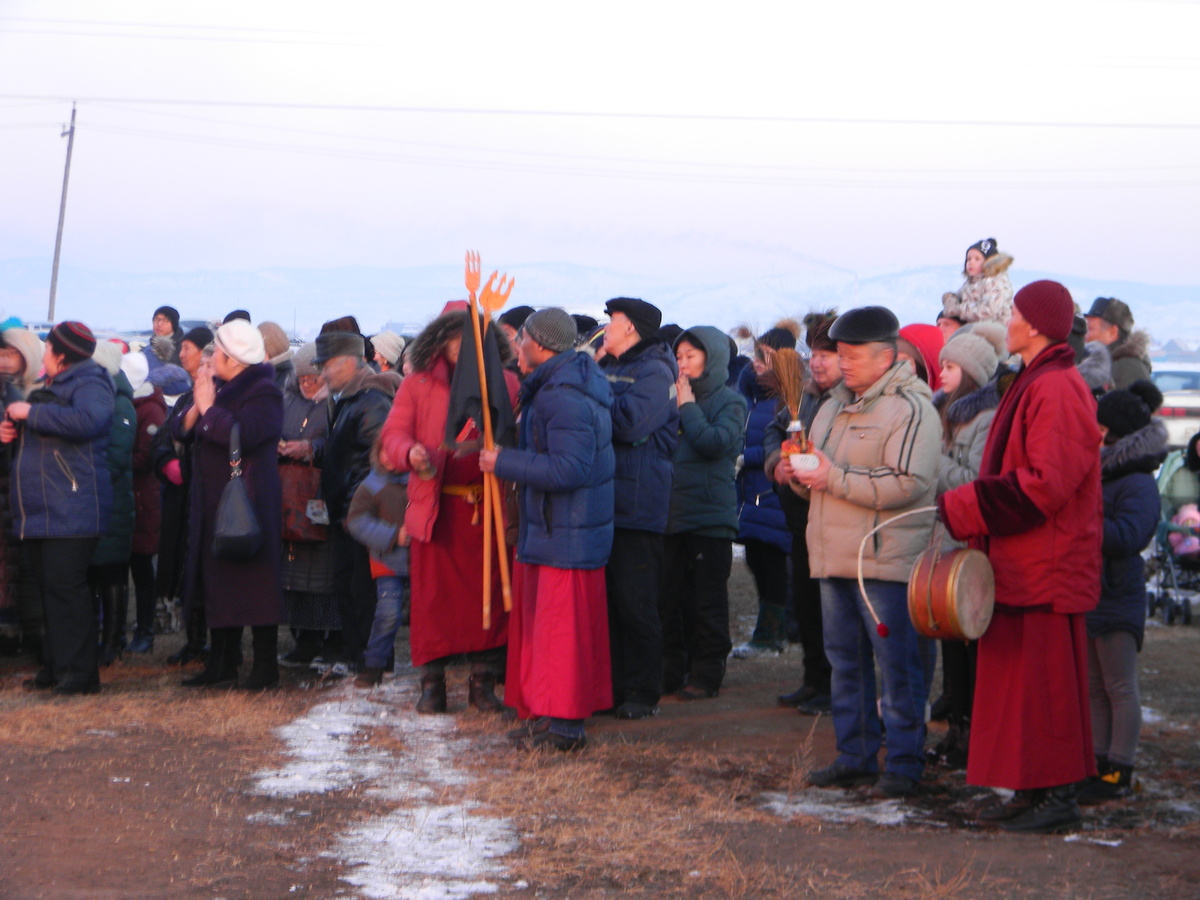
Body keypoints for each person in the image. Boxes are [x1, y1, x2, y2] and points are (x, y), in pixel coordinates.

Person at [939, 280, 1103, 833]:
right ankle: (1031, 790)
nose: (1007, 320)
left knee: (1046, 690)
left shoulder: (1056, 387)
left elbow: (1044, 486)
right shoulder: (1035, 380)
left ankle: (1057, 797)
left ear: (1032, 325)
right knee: (1021, 691)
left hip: (1046, 568)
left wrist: (964, 505)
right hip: (1024, 564)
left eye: (1014, 312)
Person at [791, 306, 941, 798]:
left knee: (896, 665)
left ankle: (903, 761)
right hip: (834, 555)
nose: (844, 363)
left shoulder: (912, 408)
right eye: (841, 353)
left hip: (884, 561)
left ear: (886, 356)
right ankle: (854, 755)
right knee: (845, 662)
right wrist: (798, 474)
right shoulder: (832, 404)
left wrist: (828, 476)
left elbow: (911, 483)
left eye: (853, 355)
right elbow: (822, 474)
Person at [480, 307, 615, 751]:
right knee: (548, 632)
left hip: (567, 535)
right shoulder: (557, 387)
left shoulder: (564, 395)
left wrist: (503, 461)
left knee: (562, 635)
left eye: (521, 340)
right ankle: (549, 714)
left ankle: (565, 726)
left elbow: (570, 468)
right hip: (555, 532)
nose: (516, 347)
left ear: (541, 345)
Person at [379, 304, 517, 713]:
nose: (462, 347)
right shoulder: (417, 385)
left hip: (488, 509)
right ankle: (432, 684)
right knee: (432, 601)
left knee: (487, 598)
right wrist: (412, 454)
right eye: (455, 338)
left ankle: (482, 683)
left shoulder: (506, 383)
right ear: (440, 340)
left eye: (471, 338)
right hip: (438, 508)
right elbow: (393, 437)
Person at [2, 322, 114, 695]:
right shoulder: (50, 386)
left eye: (47, 346)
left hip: (73, 506)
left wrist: (29, 414)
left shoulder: (92, 383)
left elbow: (89, 421)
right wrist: (11, 431)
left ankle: (79, 675)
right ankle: (56, 666)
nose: (43, 352)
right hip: (43, 509)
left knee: (67, 591)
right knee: (53, 591)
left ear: (61, 354)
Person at [175, 319, 285, 690]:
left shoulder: (263, 392)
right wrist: (197, 407)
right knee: (219, 582)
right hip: (216, 501)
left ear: (234, 358)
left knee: (257, 584)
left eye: (218, 352)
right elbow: (181, 430)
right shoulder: (221, 387)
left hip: (248, 502)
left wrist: (208, 410)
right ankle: (222, 662)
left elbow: (246, 434)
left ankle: (265, 666)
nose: (212, 358)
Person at [1080, 380, 1166, 804]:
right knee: (1096, 687)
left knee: (1119, 686)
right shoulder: (1107, 472)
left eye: (1099, 426)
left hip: (1117, 593)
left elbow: (1128, 537)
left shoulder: (1137, 483)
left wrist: (1086, 522)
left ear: (1112, 432)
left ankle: (1120, 770)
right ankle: (1099, 764)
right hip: (1095, 592)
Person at [927, 322, 1006, 768]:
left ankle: (976, 735)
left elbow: (975, 482)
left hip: (969, 546)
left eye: (951, 367)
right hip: (941, 541)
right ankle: (956, 733)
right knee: (948, 644)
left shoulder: (986, 419)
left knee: (972, 646)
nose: (942, 374)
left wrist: (932, 461)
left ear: (973, 372)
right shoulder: (941, 411)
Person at [596, 297, 679, 719]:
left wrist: (589, 400)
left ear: (630, 329)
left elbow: (629, 424)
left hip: (637, 501)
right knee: (607, 604)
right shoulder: (607, 367)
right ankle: (609, 689)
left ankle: (643, 692)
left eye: (612, 321)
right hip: (605, 500)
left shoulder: (655, 372)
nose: (605, 328)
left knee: (636, 601)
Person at [660, 325, 746, 700]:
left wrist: (688, 407)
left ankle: (707, 671)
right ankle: (671, 670)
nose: (682, 364)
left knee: (706, 600)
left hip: (710, 516)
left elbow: (716, 443)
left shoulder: (730, 401)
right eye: (678, 357)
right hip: (671, 513)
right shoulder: (671, 397)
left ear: (711, 360)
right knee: (670, 598)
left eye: (691, 357)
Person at [304, 331, 395, 675]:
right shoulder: (350, 399)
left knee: (363, 593)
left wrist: (356, 510)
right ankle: (360, 657)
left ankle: (372, 663)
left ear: (347, 362)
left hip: (362, 516)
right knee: (349, 588)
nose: (322, 373)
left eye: (325, 365)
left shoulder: (372, 401)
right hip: (347, 514)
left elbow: (377, 462)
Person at [766, 312, 838, 714]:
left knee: (832, 609)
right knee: (807, 604)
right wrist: (777, 460)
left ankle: (834, 685)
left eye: (828, 353)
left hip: (834, 518)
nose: (817, 361)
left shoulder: (848, 400)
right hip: (800, 518)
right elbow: (775, 431)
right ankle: (813, 680)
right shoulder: (805, 394)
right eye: (815, 353)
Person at [731, 322, 800, 659]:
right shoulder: (750, 394)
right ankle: (779, 627)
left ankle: (770, 633)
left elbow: (790, 445)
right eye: (756, 354)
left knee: (771, 561)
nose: (757, 361)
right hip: (749, 492)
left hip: (773, 491)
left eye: (765, 356)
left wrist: (748, 458)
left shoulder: (792, 398)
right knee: (758, 559)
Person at [274, 342, 338, 668]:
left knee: (324, 578)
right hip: (289, 498)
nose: (307, 384)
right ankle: (304, 641)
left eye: (313, 378)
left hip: (319, 498)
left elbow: (339, 442)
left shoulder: (335, 405)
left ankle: (329, 642)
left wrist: (312, 448)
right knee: (295, 576)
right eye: (302, 379)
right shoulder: (289, 402)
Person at [155, 325, 211, 665]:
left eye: (188, 347)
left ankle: (205, 641)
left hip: (200, 494)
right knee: (184, 568)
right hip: (179, 496)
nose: (181, 352)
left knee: (200, 570)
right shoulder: (188, 397)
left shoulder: (212, 397)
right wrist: (166, 461)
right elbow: (162, 437)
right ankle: (193, 640)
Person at [87, 342, 136, 667]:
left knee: (113, 573)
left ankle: (113, 640)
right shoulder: (102, 400)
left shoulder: (121, 406)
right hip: (96, 500)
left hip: (113, 500)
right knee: (94, 572)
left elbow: (117, 457)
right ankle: (99, 638)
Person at [345, 442, 410, 688]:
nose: (391, 457)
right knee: (388, 614)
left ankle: (433, 671)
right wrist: (393, 536)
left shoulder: (420, 481)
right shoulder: (370, 486)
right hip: (388, 560)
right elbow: (357, 521)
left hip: (422, 562)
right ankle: (374, 665)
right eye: (386, 451)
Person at [0, 324, 44, 655]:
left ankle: (18, 632)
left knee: (17, 567)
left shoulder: (29, 396)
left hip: (17, 492)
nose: (4, 359)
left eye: (12, 352)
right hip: (11, 489)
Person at [121, 351, 167, 655]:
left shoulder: (149, 411)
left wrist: (113, 460)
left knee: (141, 568)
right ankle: (129, 630)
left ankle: (146, 629)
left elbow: (146, 457)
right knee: (127, 567)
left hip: (143, 497)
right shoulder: (135, 405)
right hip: (131, 495)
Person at [1084, 298, 1152, 391]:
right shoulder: (1103, 364)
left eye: (1090, 329)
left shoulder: (1128, 368)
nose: (1085, 336)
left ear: (1112, 332)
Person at [942, 238, 1014, 325]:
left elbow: (988, 311)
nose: (971, 262)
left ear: (989, 263)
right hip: (976, 330)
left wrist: (958, 310)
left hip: (995, 331)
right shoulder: (971, 283)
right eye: (968, 259)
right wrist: (950, 299)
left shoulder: (995, 282)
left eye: (977, 259)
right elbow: (959, 297)